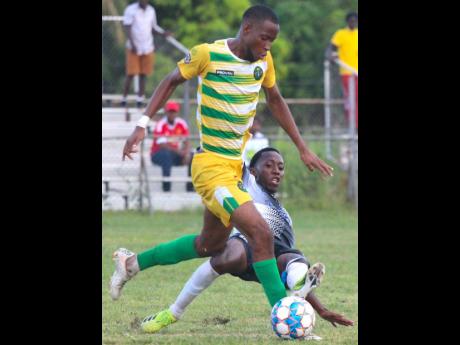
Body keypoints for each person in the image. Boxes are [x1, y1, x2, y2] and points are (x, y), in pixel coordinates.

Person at [112, 5, 333, 312]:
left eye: (273, 40)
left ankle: (131, 264)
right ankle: (283, 312)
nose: (268, 46)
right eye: (264, 38)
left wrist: (302, 147)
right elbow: (171, 80)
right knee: (260, 231)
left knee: (210, 245)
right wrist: (141, 125)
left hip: (234, 170)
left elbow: (275, 99)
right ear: (247, 30)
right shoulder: (208, 54)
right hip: (210, 168)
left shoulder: (263, 61)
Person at [138, 148, 354, 333]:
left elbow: (289, 260)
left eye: (280, 166)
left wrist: (322, 309)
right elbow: (230, 154)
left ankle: (296, 285)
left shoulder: (286, 215)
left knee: (295, 259)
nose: (277, 170)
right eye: (269, 165)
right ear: (252, 171)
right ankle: (172, 313)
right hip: (245, 245)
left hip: (273, 260)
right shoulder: (246, 186)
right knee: (228, 255)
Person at [121, 0, 170, 108]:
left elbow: (152, 28)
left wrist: (163, 34)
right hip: (133, 46)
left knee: (143, 74)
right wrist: (133, 43)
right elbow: (127, 27)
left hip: (147, 46)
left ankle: (140, 99)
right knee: (131, 73)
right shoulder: (131, 9)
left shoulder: (151, 10)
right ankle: (124, 98)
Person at [151, 101, 193, 192]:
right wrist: (180, 152)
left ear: (177, 112)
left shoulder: (181, 123)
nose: (172, 114)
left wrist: (186, 153)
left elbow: (187, 141)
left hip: (175, 154)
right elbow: (162, 145)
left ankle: (190, 187)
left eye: (174, 112)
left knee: (193, 155)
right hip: (158, 154)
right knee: (166, 155)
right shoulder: (161, 124)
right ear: (166, 112)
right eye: (170, 111)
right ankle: (166, 188)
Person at [326, 12, 358, 129]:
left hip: (357, 73)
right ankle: (352, 125)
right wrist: (331, 56)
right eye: (351, 21)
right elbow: (331, 49)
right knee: (350, 100)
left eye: (355, 21)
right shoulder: (341, 34)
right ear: (348, 21)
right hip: (347, 73)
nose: (353, 23)